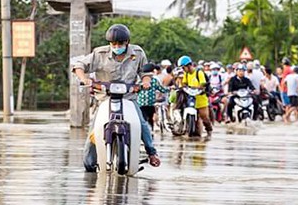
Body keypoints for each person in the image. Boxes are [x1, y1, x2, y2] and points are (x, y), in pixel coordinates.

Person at [72, 24, 161, 169]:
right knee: (95, 129)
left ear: (127, 41)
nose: (116, 46)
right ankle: (89, 162)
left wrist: (145, 82)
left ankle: (152, 153)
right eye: (113, 43)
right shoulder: (99, 53)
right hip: (105, 99)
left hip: (129, 98)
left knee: (141, 123)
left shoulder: (137, 53)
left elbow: (145, 73)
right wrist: (84, 79)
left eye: (120, 43)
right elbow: (79, 65)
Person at [178, 55, 213, 137]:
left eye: (183, 68)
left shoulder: (199, 73)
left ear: (189, 65)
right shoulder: (186, 74)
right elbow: (184, 83)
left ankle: (209, 130)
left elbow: (202, 84)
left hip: (200, 97)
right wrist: (180, 85)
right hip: (191, 98)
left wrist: (198, 88)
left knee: (204, 117)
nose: (183, 70)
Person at [138, 63, 169, 132]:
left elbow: (135, 90)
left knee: (143, 119)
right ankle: (150, 132)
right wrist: (170, 89)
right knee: (150, 119)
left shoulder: (140, 80)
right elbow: (162, 89)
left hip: (141, 104)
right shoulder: (154, 81)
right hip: (150, 104)